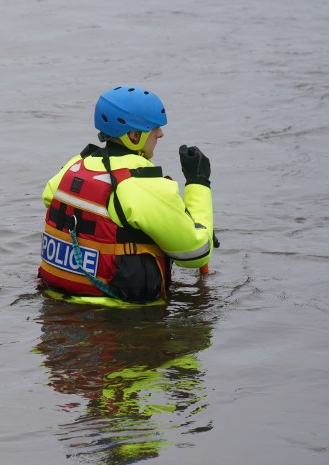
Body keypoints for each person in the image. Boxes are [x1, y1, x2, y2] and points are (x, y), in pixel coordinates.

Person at [39, 85, 215, 304]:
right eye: (154, 128)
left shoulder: (75, 166)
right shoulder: (143, 185)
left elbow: (50, 196)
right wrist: (198, 183)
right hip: (120, 319)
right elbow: (195, 253)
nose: (161, 133)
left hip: (56, 302)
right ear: (134, 136)